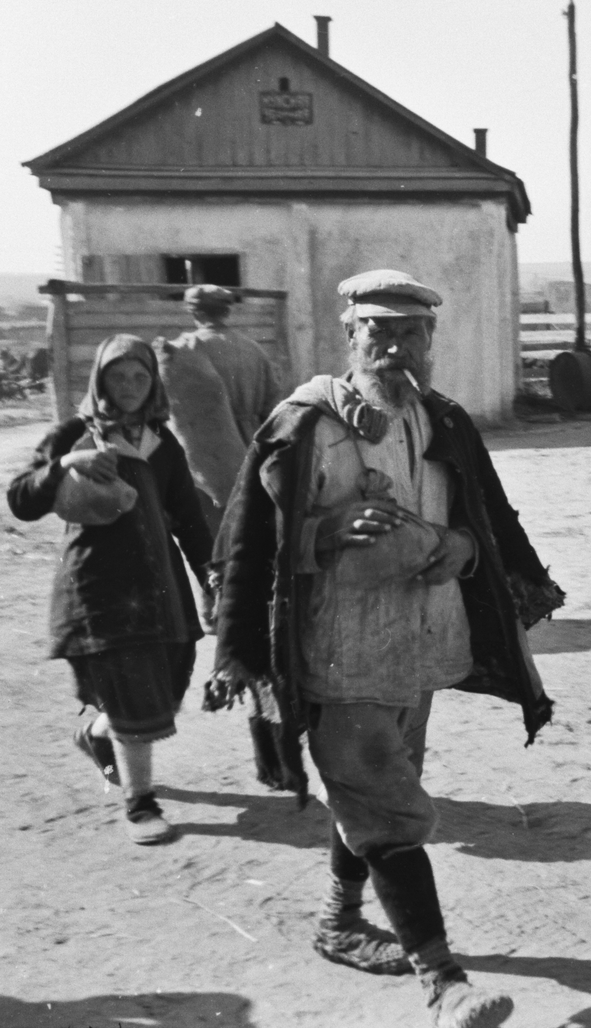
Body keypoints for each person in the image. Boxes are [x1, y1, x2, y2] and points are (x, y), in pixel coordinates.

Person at [208, 269, 562, 1028]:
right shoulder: (304, 424)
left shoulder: (442, 421)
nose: (396, 347)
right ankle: (445, 981)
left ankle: (340, 920)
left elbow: (486, 522)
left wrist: (463, 546)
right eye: (380, 331)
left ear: (431, 340)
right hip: (337, 647)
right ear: (351, 336)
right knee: (386, 802)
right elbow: (246, 539)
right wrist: (323, 534)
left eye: (411, 333)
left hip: (421, 643)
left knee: (379, 789)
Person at [7, 334, 212, 845]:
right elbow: (20, 499)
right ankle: (140, 804)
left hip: (159, 585)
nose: (128, 387)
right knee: (131, 685)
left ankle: (96, 734)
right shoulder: (75, 433)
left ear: (153, 383)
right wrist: (65, 466)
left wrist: (211, 572)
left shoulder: (163, 444)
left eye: (139, 377)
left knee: (164, 685)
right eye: (117, 377)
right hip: (99, 586)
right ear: (100, 379)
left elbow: (187, 517)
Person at [172, 284, 281, 445]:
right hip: (251, 442)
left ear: (197, 313)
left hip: (208, 443)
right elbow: (272, 403)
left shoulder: (186, 347)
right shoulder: (253, 349)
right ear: (226, 312)